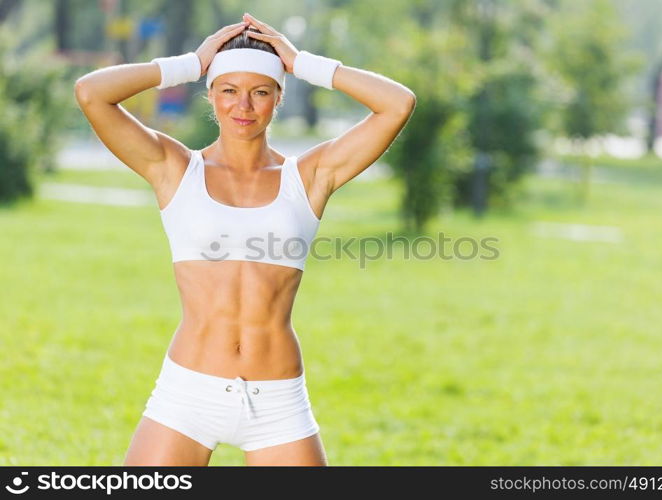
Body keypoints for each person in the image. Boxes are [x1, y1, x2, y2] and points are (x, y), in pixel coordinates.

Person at [74, 12, 416, 466]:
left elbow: (398, 103)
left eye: (260, 92)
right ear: (210, 96)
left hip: (276, 402)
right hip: (187, 394)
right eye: (229, 91)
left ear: (278, 98)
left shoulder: (308, 177)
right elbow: (91, 93)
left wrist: (303, 62)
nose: (244, 107)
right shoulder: (175, 169)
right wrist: (191, 62)